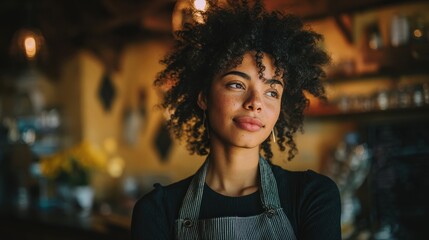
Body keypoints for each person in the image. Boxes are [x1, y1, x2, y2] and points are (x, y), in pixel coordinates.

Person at [131, 0, 341, 239]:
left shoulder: (312, 196)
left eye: (272, 92)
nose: (255, 102)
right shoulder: (157, 211)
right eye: (237, 84)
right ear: (203, 97)